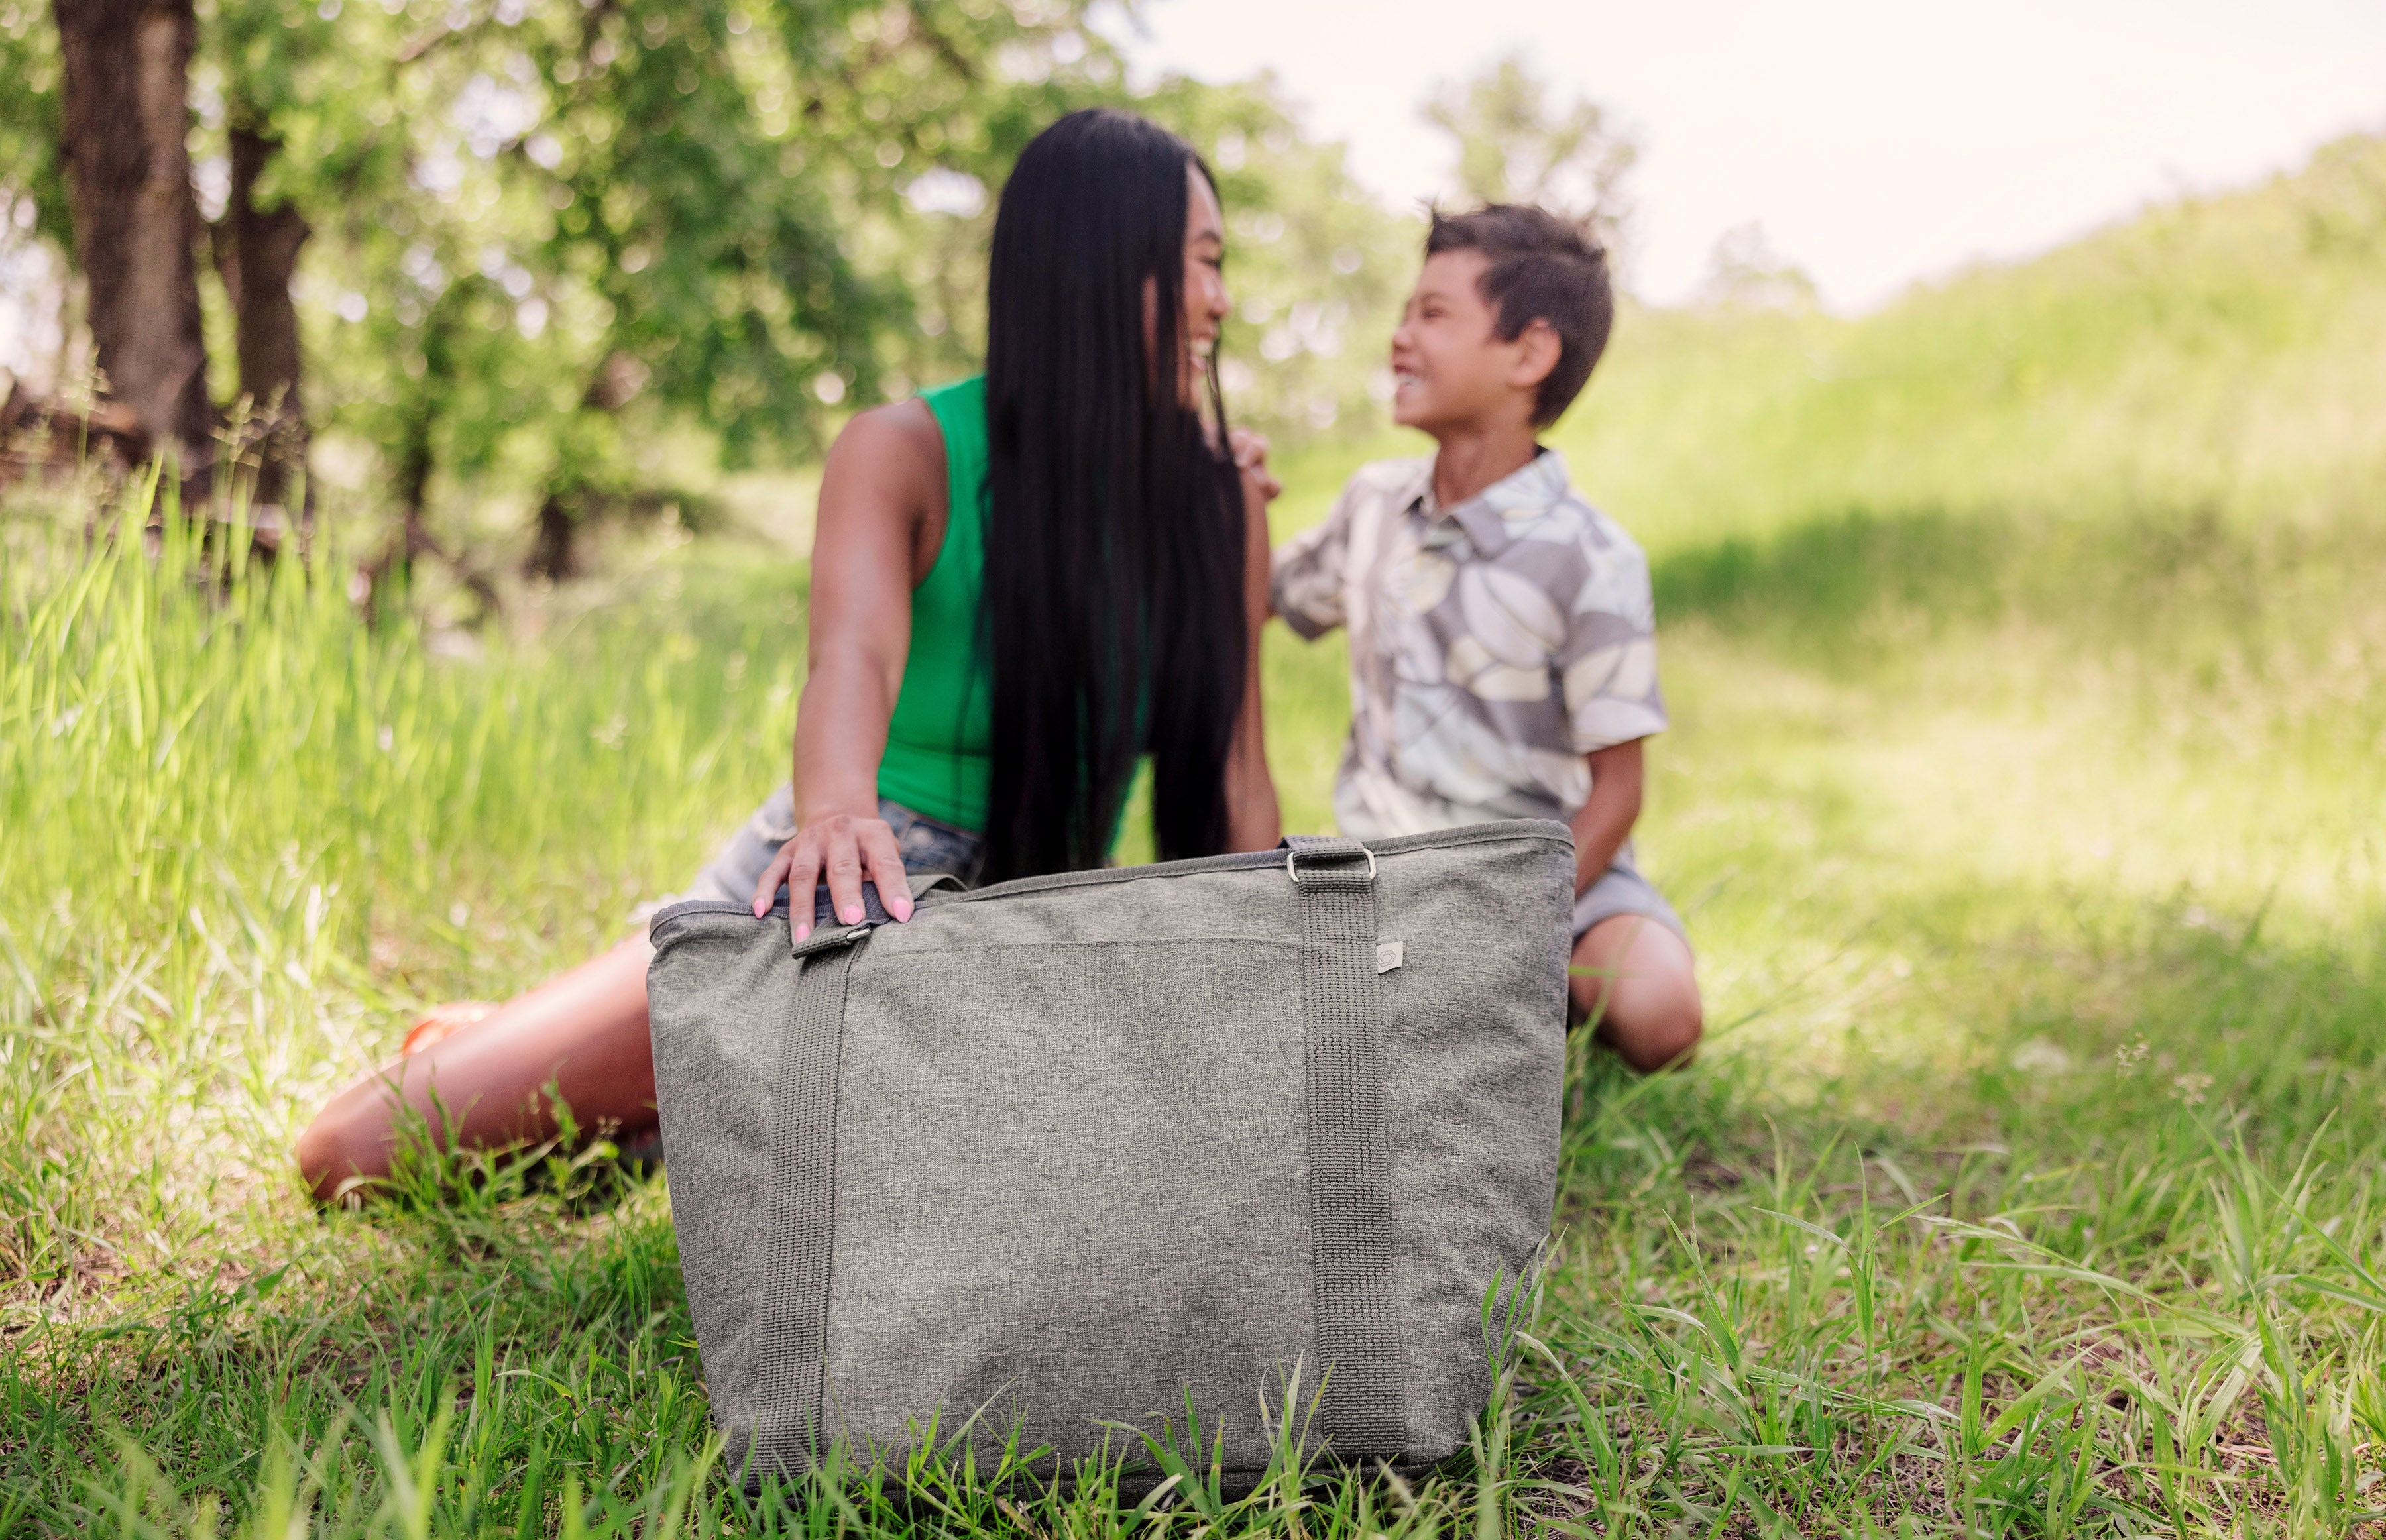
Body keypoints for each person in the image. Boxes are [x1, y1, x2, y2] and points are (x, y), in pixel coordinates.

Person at [297, 108, 1283, 1199]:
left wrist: (1277, 973)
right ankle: (552, 1048)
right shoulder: (905, 450)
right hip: (860, 872)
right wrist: (835, 814)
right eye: (1204, 262)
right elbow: (850, 659)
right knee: (351, 1156)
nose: (1223, 301)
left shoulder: (1222, 503)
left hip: (1023, 926)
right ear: (1104, 264)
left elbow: (1238, 769)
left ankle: (603, 1067)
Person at [1269, 203, 1702, 1072]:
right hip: (1378, 879)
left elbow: (1618, 791)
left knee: (1660, 1011)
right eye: (1405, 311)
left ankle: (1546, 1002)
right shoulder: (1371, 506)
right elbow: (1265, 597)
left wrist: (1515, 926)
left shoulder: (1592, 557)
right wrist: (1228, 499)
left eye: (1433, 314)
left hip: (1547, 884)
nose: (1399, 336)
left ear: (1530, 353)